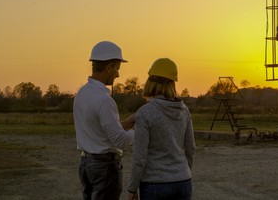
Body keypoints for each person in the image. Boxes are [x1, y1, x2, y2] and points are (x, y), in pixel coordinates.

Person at [74, 41, 136, 200]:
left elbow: (101, 131)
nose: (118, 74)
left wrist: (128, 122)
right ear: (109, 67)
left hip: (86, 165)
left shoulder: (82, 94)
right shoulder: (104, 100)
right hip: (105, 168)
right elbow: (120, 141)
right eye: (117, 69)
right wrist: (141, 130)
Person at [127, 58, 196, 200]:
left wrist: (132, 188)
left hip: (154, 184)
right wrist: (182, 172)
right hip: (183, 182)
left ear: (150, 82)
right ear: (172, 83)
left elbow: (139, 158)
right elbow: (191, 149)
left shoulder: (145, 113)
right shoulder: (184, 110)